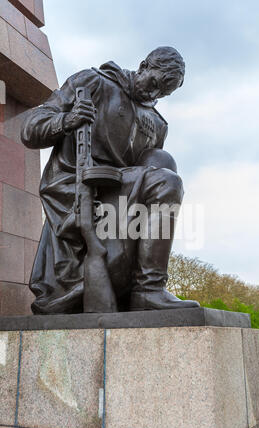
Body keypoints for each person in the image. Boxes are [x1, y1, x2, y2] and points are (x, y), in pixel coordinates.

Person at [21, 46, 199, 314]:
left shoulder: (157, 123)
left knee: (164, 165)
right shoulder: (93, 82)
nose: (154, 94)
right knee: (166, 182)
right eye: (154, 83)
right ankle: (148, 289)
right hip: (74, 185)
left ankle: (138, 283)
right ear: (143, 66)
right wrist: (68, 120)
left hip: (120, 194)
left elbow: (147, 178)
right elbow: (30, 129)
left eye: (163, 92)